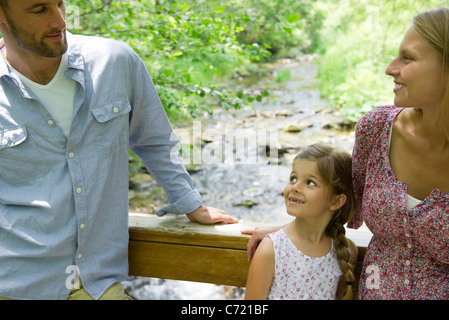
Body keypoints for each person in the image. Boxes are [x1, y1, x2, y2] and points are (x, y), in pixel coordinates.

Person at [0, 0, 237, 300]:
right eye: (39, 10)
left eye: (60, 3)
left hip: (98, 283)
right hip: (15, 284)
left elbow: (154, 140)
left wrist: (188, 201)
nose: (60, 21)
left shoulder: (114, 61)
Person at [246, 8, 449, 300]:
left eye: (408, 58)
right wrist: (289, 233)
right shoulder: (377, 129)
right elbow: (345, 205)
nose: (391, 68)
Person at [244, 144, 358, 300]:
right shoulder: (272, 249)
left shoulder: (346, 251)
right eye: (293, 178)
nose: (295, 187)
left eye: (310, 182)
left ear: (336, 201)